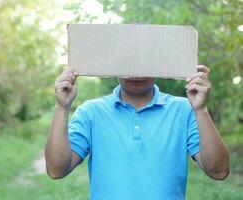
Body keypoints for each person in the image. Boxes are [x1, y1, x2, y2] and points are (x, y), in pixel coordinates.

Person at [45, 65, 230, 200]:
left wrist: (201, 110)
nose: (136, 72)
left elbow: (219, 171)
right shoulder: (91, 112)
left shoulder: (184, 110)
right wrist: (62, 107)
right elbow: (56, 169)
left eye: (144, 62)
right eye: (127, 63)